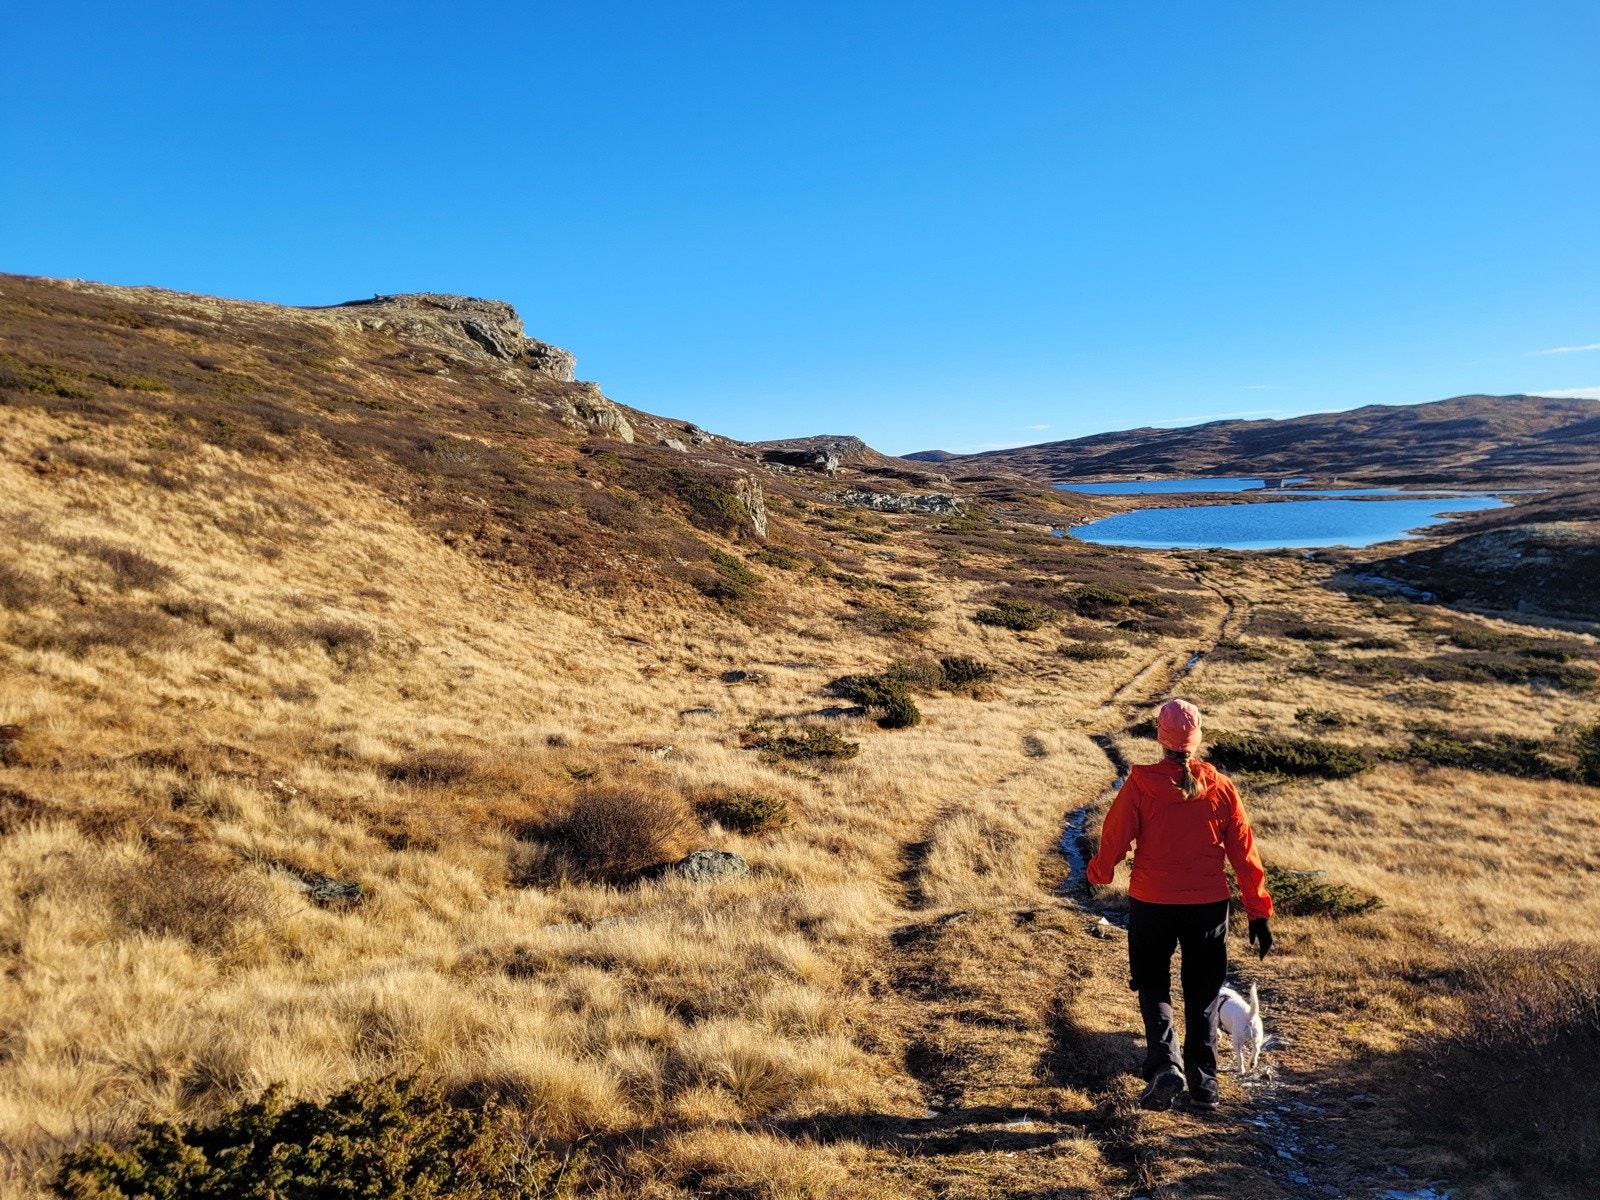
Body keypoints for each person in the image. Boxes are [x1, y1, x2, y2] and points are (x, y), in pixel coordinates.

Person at [1085, 698, 1273, 1111]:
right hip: (1207, 908)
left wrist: (1097, 874)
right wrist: (1258, 913)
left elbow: (1114, 839)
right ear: (1197, 739)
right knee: (1203, 994)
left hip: (1152, 903)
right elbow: (1245, 854)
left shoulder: (1140, 785)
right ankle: (1204, 1086)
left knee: (1153, 985)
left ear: (1161, 738)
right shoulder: (1221, 788)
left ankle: (1165, 1067)